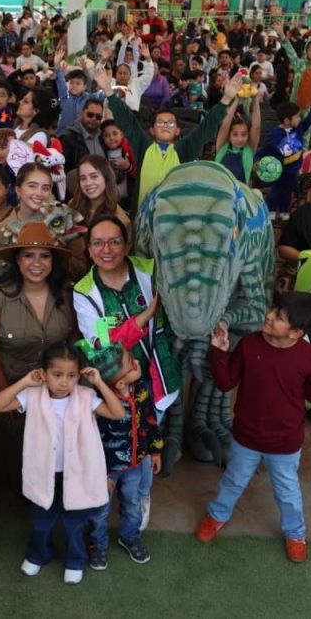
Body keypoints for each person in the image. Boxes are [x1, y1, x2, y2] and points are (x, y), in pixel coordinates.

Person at [195, 292, 311, 562]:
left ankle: (295, 533)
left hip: (285, 443)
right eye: (272, 309)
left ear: (296, 333)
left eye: (279, 317)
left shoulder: (307, 355)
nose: (268, 316)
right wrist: (219, 351)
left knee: (287, 492)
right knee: (233, 481)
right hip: (246, 437)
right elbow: (226, 382)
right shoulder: (249, 344)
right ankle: (217, 515)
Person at [73, 216, 180, 530]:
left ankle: (141, 496)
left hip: (158, 378)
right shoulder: (84, 291)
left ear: (127, 245)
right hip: (115, 386)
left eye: (114, 241)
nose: (106, 250)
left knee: (146, 444)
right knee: (118, 441)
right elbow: (102, 347)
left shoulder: (151, 270)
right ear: (88, 249)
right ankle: (110, 496)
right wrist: (146, 315)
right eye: (98, 243)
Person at [0, 344, 124, 585]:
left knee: (74, 523)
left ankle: (75, 560)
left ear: (79, 375)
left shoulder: (86, 396)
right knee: (41, 521)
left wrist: (99, 383)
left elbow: (117, 413)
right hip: (44, 474)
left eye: (71, 375)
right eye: (57, 374)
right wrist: (25, 382)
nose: (64, 382)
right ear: (44, 373)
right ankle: (39, 554)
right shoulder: (33, 395)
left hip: (77, 474)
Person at [0, 222, 76, 492]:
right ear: (18, 260)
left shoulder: (66, 295)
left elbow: (72, 342)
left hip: (55, 389)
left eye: (45, 256)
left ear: (53, 261)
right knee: (17, 453)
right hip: (12, 385)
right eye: (29, 255)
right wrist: (7, 394)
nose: (37, 263)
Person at [98, 67, 245, 208]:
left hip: (173, 219)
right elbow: (127, 120)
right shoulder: (143, 145)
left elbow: (205, 128)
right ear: (152, 130)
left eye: (170, 123)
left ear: (177, 131)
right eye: (160, 122)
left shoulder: (184, 149)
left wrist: (226, 98)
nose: (165, 125)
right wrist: (108, 91)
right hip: (142, 217)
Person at [83, 343, 161, 571]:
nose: (137, 361)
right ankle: (97, 545)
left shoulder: (142, 389)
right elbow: (91, 441)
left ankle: (129, 536)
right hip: (106, 470)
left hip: (135, 464)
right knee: (100, 510)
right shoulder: (99, 403)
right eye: (131, 363)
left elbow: (150, 420)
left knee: (132, 503)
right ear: (119, 383)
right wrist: (100, 473)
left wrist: (155, 450)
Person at [256, 98, 311, 220]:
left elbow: (310, 119)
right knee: (276, 191)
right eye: (296, 117)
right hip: (279, 170)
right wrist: (257, 159)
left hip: (293, 171)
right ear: (287, 120)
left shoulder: (298, 129)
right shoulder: (275, 134)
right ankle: (270, 209)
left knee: (287, 192)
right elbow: (265, 149)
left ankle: (284, 210)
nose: (299, 119)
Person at [69, 155, 132, 233]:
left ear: (106, 179)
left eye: (94, 176)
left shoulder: (120, 219)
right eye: (83, 178)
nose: (88, 183)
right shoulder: (73, 204)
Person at [215, 94, 262, 185]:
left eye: (244, 135)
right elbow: (224, 127)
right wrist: (236, 100)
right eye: (235, 135)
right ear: (229, 136)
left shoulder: (249, 148)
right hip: (221, 190)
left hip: (241, 191)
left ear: (248, 135)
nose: (240, 139)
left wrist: (255, 100)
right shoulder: (222, 147)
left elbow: (256, 127)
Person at [59, 99, 106, 170]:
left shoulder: (104, 137)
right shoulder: (67, 138)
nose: (94, 119)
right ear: (82, 113)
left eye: (98, 117)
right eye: (90, 115)